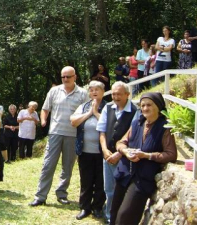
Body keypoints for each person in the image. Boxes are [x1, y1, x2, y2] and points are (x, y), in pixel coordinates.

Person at [110, 92, 177, 225]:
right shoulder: (137, 123)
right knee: (114, 212)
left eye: (149, 105)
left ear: (158, 106)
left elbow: (171, 154)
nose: (145, 108)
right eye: (143, 105)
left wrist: (147, 155)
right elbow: (121, 142)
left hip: (142, 179)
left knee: (125, 217)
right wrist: (125, 151)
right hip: (125, 173)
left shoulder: (165, 128)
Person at [30, 66, 87, 207]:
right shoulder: (54, 91)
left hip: (73, 134)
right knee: (48, 165)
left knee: (67, 167)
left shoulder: (82, 94)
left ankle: (62, 194)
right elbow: (45, 109)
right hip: (55, 132)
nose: (66, 79)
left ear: (75, 77)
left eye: (68, 76)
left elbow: (87, 112)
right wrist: (43, 120)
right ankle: (41, 196)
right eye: (63, 77)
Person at [96, 81, 137, 225]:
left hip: (124, 157)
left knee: (121, 189)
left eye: (119, 94)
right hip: (107, 156)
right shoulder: (108, 107)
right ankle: (109, 217)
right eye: (113, 93)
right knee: (109, 189)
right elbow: (101, 131)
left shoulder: (135, 111)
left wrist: (119, 154)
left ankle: (119, 217)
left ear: (127, 94)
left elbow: (134, 137)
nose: (115, 97)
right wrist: (105, 150)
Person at [70, 81, 106, 221]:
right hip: (85, 151)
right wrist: (89, 113)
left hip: (102, 152)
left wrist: (96, 113)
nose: (94, 92)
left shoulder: (108, 107)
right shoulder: (83, 106)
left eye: (97, 90)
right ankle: (85, 207)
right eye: (91, 90)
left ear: (103, 91)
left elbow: (110, 125)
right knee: (86, 180)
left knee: (100, 181)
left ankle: (97, 207)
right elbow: (73, 122)